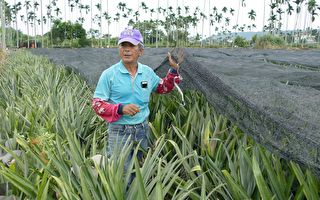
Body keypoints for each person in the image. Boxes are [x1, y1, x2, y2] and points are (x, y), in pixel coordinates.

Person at [92, 27, 182, 169]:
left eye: (131, 46)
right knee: (121, 173)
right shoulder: (109, 74)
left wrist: (173, 70)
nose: (127, 49)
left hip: (142, 130)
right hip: (119, 131)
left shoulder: (147, 72)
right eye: (123, 45)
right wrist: (120, 108)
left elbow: (163, 87)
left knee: (138, 169)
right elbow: (97, 104)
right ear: (119, 49)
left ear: (140, 51)